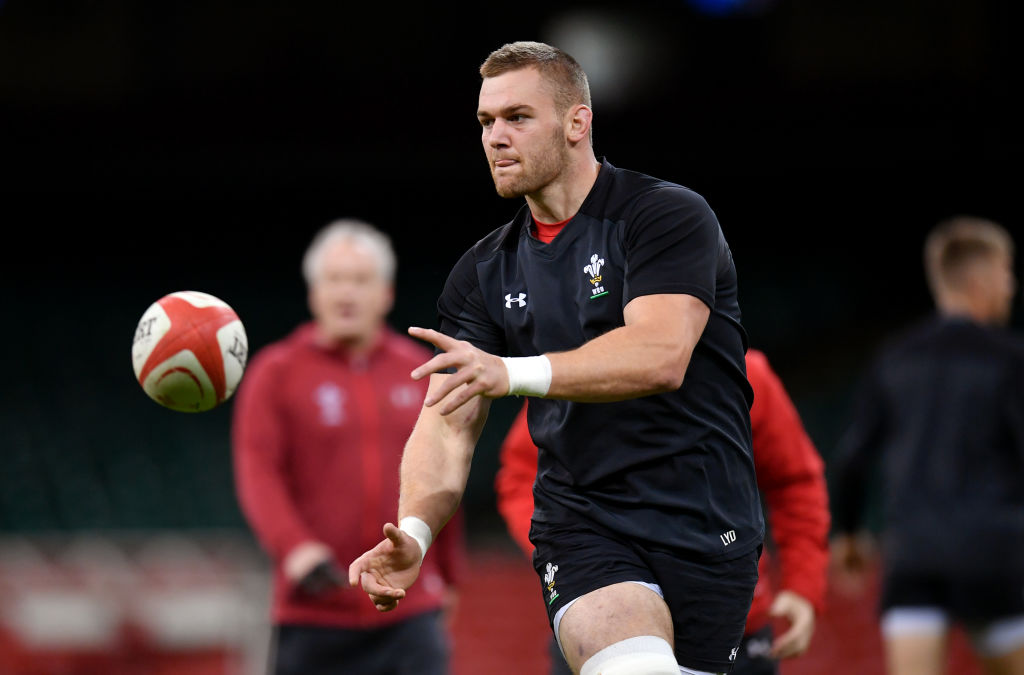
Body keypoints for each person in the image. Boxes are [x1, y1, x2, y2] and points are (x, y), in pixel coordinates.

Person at [348, 41, 765, 675]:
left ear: (578, 123)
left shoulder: (666, 217)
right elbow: (446, 422)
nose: (496, 137)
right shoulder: (483, 272)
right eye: (486, 122)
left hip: (707, 519)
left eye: (517, 117)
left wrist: (510, 372)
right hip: (584, 524)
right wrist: (417, 531)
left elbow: (660, 354)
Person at [495, 348, 831, 675]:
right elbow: (521, 475)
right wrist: (573, 556)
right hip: (603, 619)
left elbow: (795, 482)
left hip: (731, 619)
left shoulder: (746, 375)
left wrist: (803, 584)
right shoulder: (581, 370)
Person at [231, 219, 465, 675]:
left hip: (410, 609)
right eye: (334, 280)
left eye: (360, 281)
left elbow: (445, 474)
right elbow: (258, 473)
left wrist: (451, 575)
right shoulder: (275, 373)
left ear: (386, 293)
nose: (346, 293)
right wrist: (295, 547)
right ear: (314, 292)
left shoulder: (420, 372)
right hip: (313, 612)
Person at [829, 215, 1024, 675]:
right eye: (1007, 273)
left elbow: (853, 458)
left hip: (915, 557)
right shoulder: (1010, 360)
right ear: (983, 276)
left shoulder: (895, 357)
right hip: (993, 555)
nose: (1011, 287)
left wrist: (850, 534)